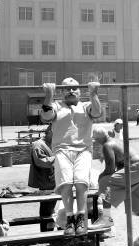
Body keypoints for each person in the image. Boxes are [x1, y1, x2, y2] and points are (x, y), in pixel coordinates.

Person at [40, 77, 102, 237]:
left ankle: (81, 217)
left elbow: (97, 112)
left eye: (74, 88)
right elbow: (46, 117)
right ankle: (69, 218)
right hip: (62, 149)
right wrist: (48, 94)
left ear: (80, 91)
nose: (71, 91)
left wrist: (94, 93)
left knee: (82, 182)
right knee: (66, 184)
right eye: (67, 88)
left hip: (83, 149)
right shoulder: (56, 105)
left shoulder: (86, 105)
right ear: (61, 92)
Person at [90, 127, 139, 246]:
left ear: (99, 138)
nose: (95, 142)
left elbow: (109, 170)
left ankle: (106, 218)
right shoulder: (117, 141)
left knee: (104, 181)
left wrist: (100, 178)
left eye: (95, 140)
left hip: (135, 169)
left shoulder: (107, 145)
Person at [28, 125, 57, 232]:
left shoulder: (52, 143)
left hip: (52, 182)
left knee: (52, 210)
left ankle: (49, 232)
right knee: (46, 211)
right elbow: (40, 161)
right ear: (49, 131)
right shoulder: (38, 145)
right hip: (44, 183)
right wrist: (58, 158)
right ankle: (45, 234)